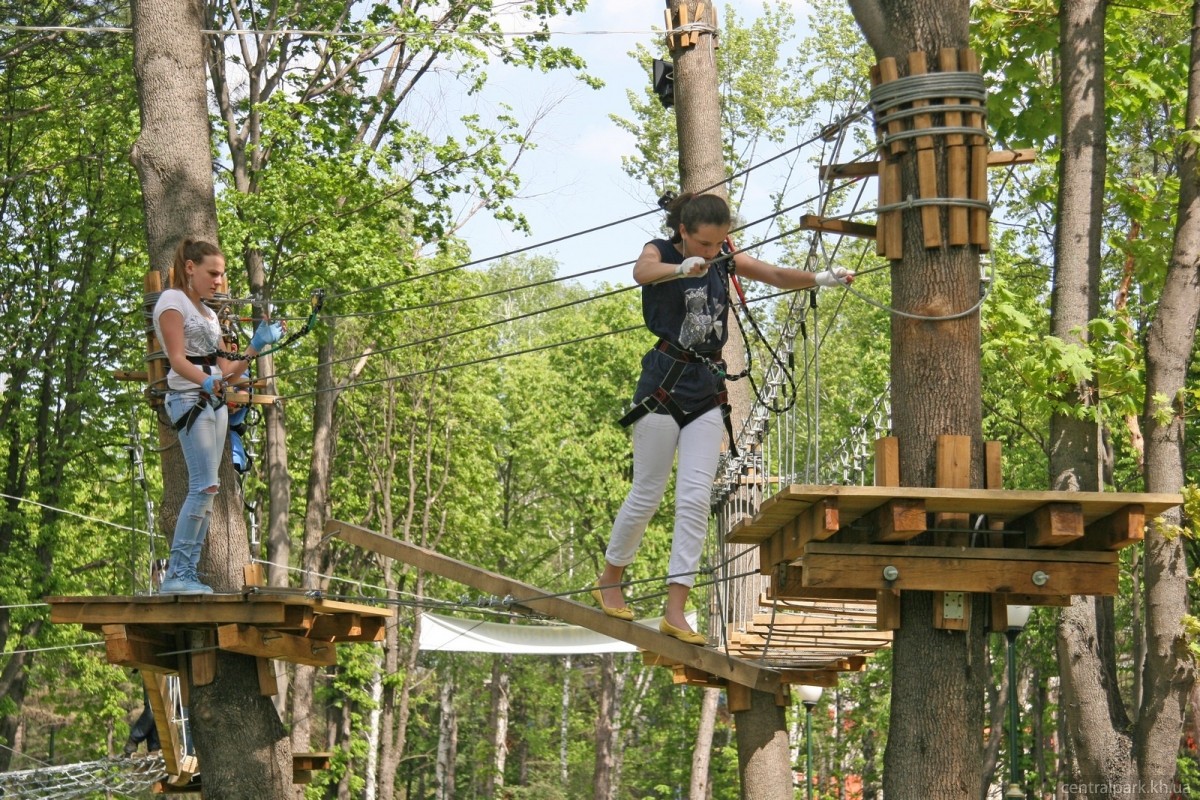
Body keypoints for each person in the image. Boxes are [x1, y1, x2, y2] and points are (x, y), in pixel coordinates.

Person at [593, 193, 853, 645]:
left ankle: (676, 607)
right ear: (684, 233)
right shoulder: (663, 250)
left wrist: (820, 279)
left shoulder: (725, 258)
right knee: (648, 491)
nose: (711, 253)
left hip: (706, 391)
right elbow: (642, 272)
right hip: (662, 385)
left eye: (719, 245)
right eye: (704, 244)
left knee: (694, 500)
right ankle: (610, 578)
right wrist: (680, 269)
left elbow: (771, 274)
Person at [152, 239, 283, 594]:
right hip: (188, 398)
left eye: (222, 275)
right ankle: (177, 573)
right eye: (213, 273)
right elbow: (178, 359)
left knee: (209, 489)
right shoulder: (172, 302)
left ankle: (186, 572)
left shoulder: (209, 315)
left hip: (214, 400)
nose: (219, 281)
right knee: (203, 485)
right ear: (190, 267)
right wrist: (206, 380)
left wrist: (257, 345)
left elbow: (228, 370)